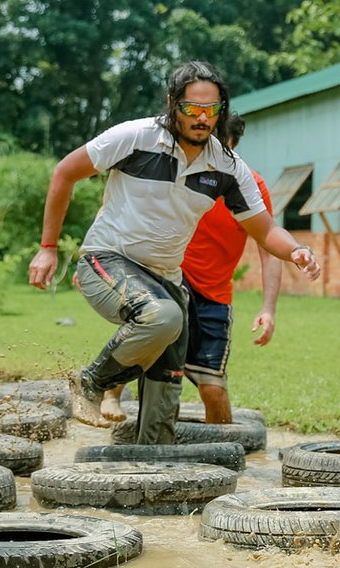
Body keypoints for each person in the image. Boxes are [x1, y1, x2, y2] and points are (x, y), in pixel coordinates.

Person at [28, 61, 320, 444]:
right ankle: (89, 383)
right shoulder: (136, 137)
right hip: (107, 259)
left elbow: (264, 230)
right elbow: (65, 171)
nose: (201, 118)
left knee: (167, 384)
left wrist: (296, 250)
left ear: (222, 110)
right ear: (172, 104)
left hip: (165, 277)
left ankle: (152, 466)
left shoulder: (228, 168)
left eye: (211, 110)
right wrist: (48, 248)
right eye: (191, 108)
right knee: (162, 318)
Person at [100, 114, 284, 425]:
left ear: (233, 146)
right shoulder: (175, 171)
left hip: (214, 296)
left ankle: (220, 454)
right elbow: (125, 211)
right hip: (169, 280)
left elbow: (269, 248)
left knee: (213, 388)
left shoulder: (248, 185)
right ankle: (109, 393)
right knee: (147, 340)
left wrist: (268, 308)